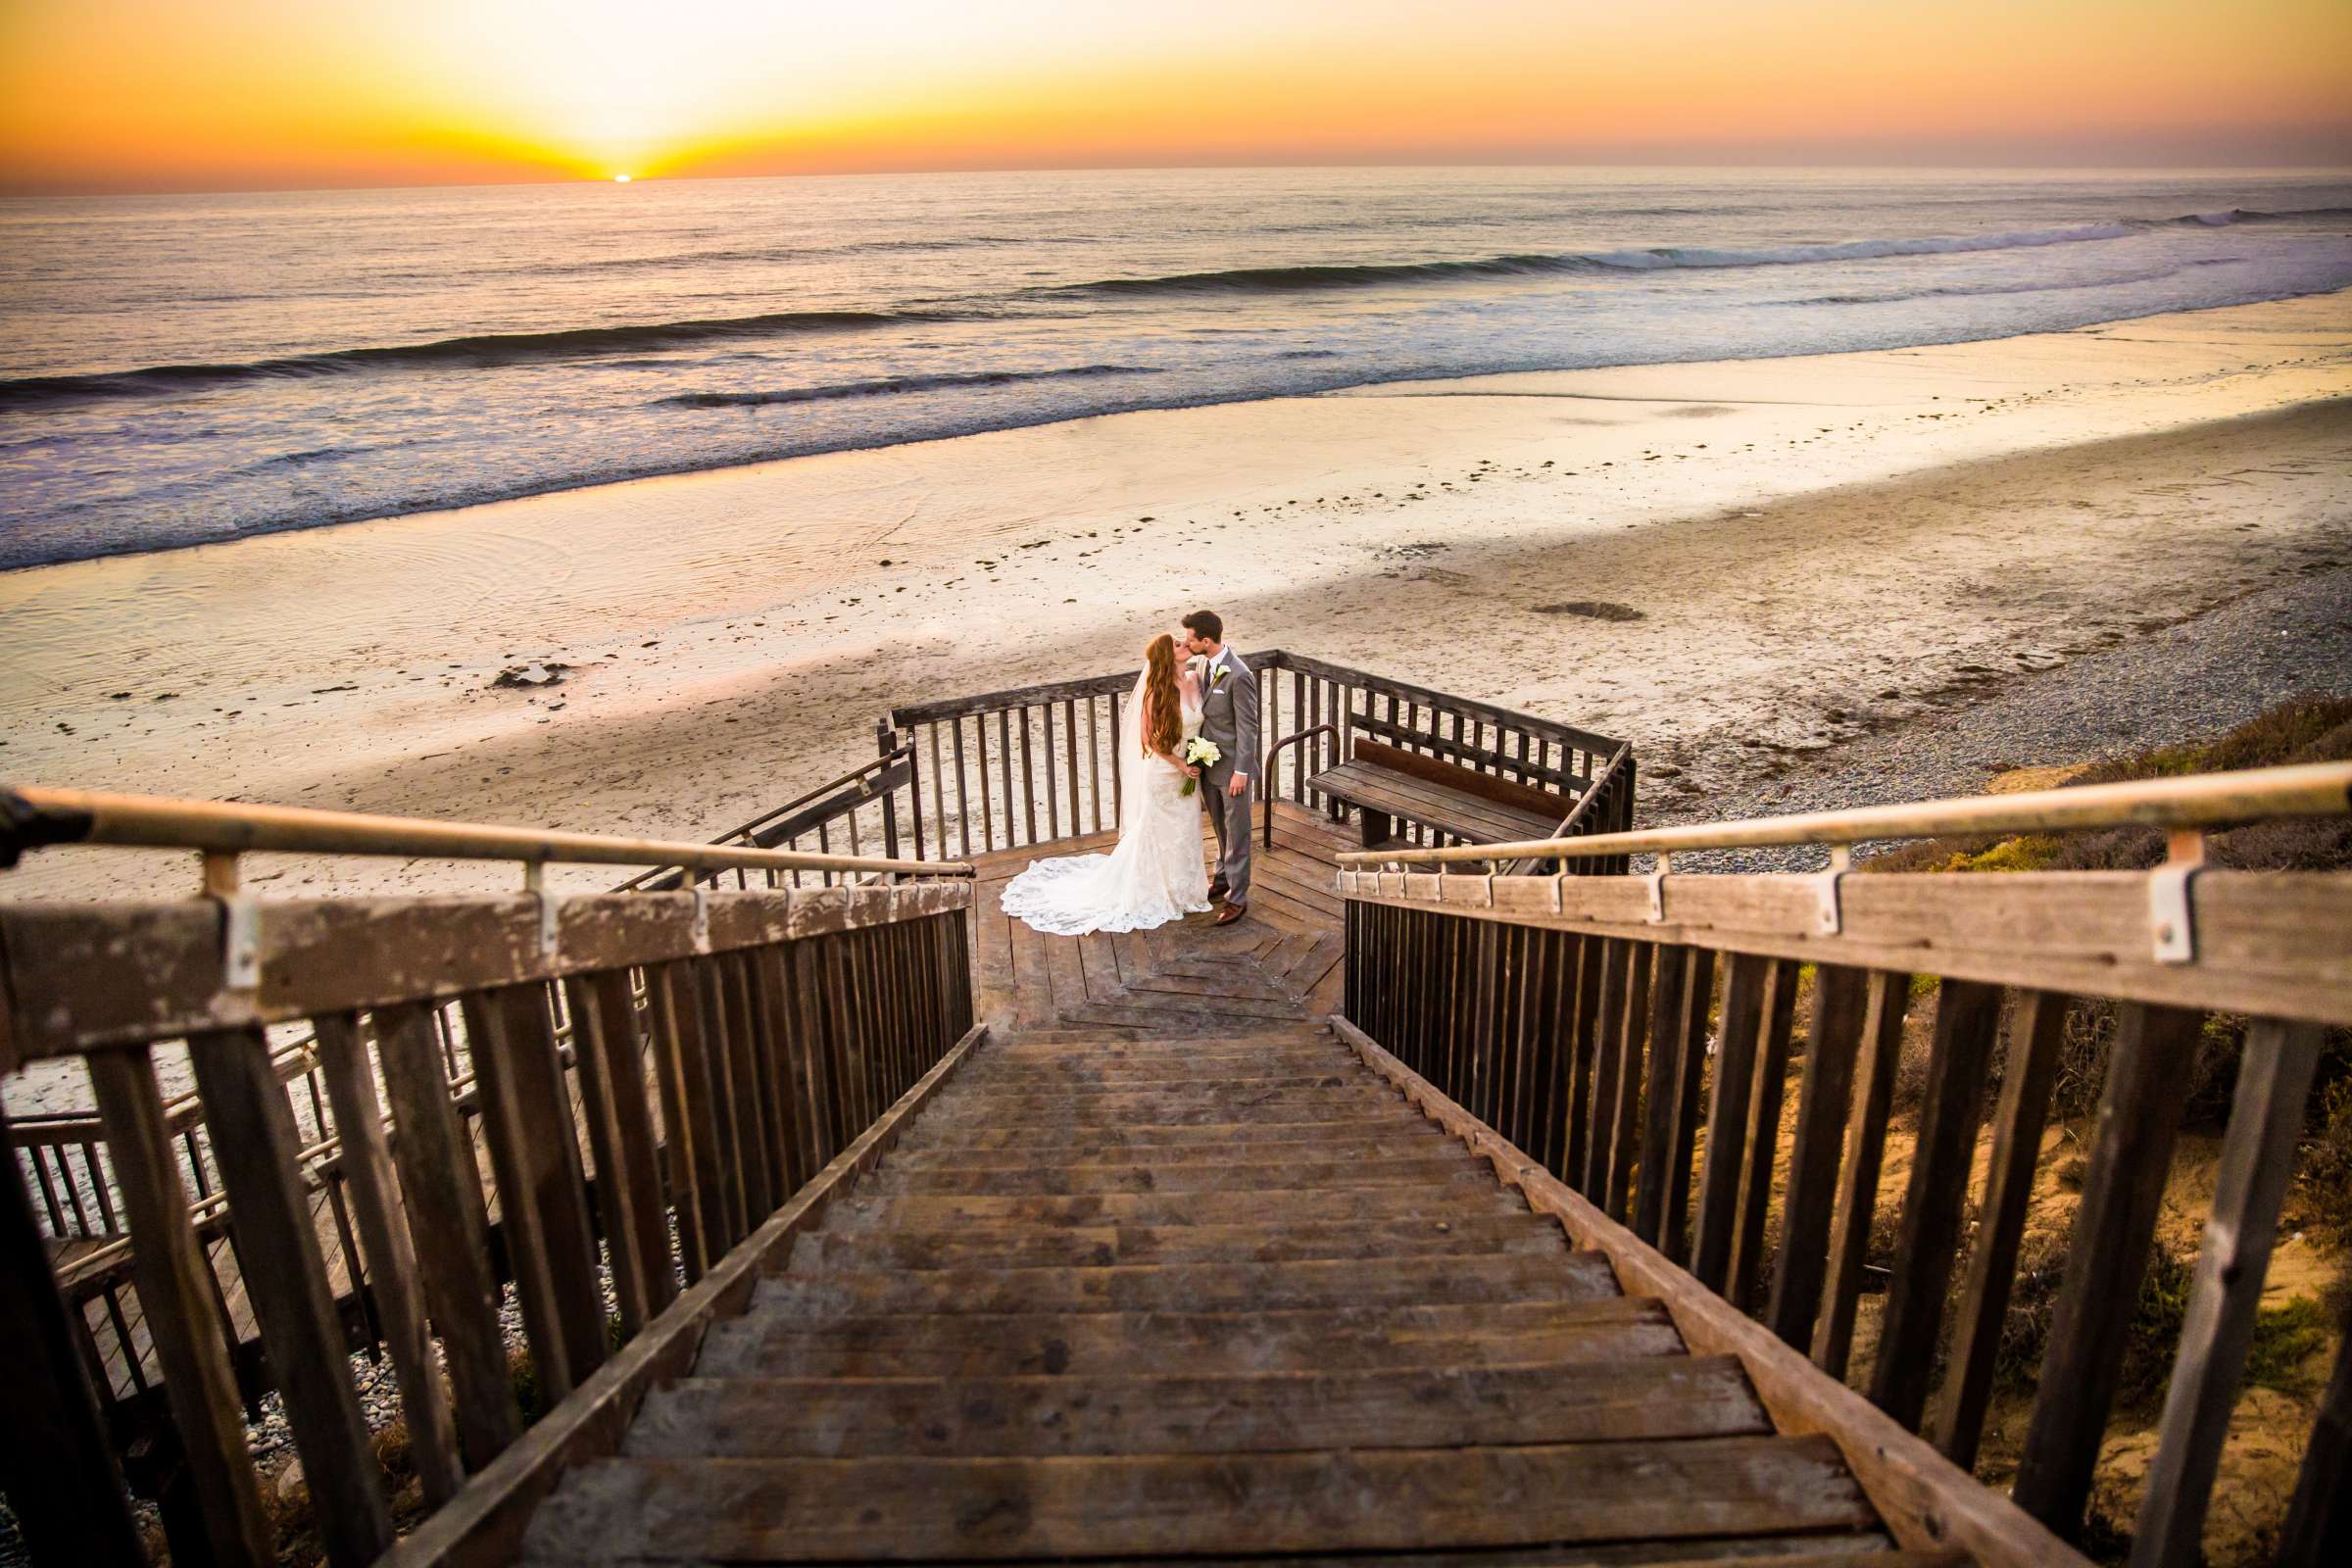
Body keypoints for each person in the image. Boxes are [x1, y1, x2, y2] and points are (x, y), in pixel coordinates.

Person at [998, 631, 1213, 936]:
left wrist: (1198, 757)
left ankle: (1187, 891)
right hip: (1165, 772)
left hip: (1190, 770)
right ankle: (1156, 892)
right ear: (1167, 656)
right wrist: (1179, 763)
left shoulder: (1194, 679)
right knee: (1158, 832)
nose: (1184, 645)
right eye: (1177, 644)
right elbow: (1147, 738)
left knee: (1186, 829)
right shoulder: (1156, 691)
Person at [1179, 610, 1256, 925]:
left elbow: (1248, 728)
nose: (1187, 644)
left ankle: (1237, 898)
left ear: (1206, 641)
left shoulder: (1239, 675)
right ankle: (1223, 878)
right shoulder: (1202, 664)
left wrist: (1242, 771)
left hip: (1232, 769)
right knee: (1220, 826)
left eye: (1190, 639)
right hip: (1208, 760)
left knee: (1237, 833)